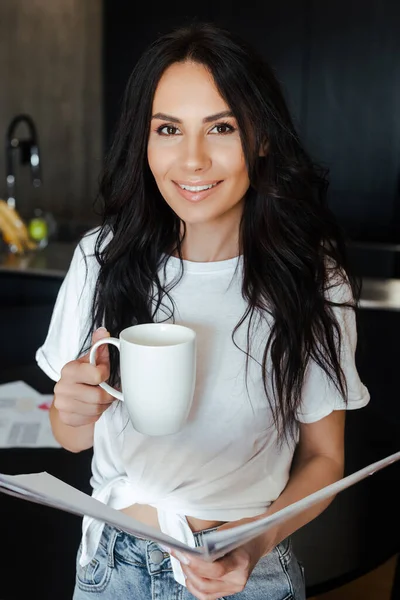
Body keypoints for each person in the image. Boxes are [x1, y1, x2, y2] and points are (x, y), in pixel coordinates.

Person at [36, 21, 370, 600]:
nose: (191, 160)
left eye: (221, 128)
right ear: (145, 141)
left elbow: (324, 457)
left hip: (246, 575)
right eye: (168, 129)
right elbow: (71, 438)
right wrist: (70, 408)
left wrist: (255, 543)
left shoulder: (313, 280)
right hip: (110, 570)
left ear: (261, 138)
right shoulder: (100, 258)